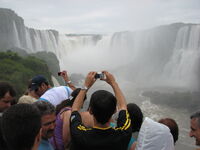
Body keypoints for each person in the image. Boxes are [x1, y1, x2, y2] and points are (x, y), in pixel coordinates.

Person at [70, 71, 132, 150]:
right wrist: (113, 83)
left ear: (90, 111)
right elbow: (123, 106)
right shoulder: (123, 134)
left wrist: (86, 86)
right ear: (115, 111)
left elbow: (75, 109)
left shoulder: (80, 135)